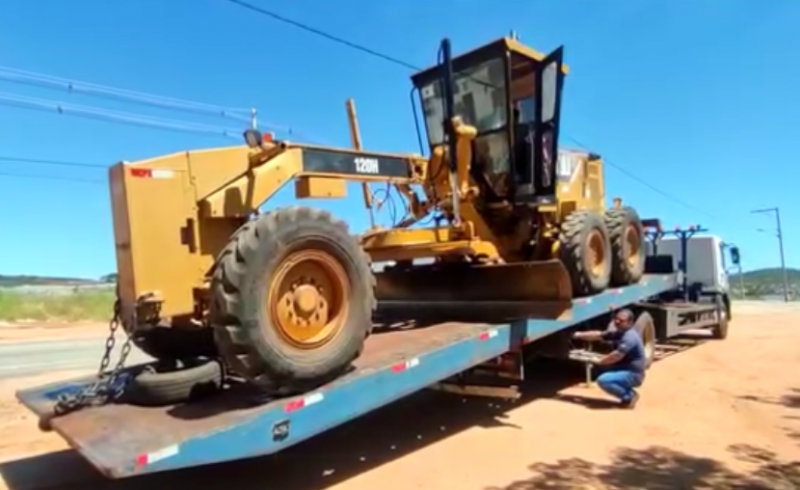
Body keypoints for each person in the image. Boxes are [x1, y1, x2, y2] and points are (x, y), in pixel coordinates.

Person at [572, 308, 646, 408]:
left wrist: (600, 361)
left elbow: (616, 356)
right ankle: (626, 391)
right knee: (599, 370)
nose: (617, 322)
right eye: (616, 319)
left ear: (630, 323)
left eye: (621, 320)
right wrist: (577, 335)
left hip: (633, 374)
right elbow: (598, 335)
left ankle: (629, 396)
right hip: (624, 368)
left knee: (603, 380)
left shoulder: (630, 337)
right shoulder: (621, 332)